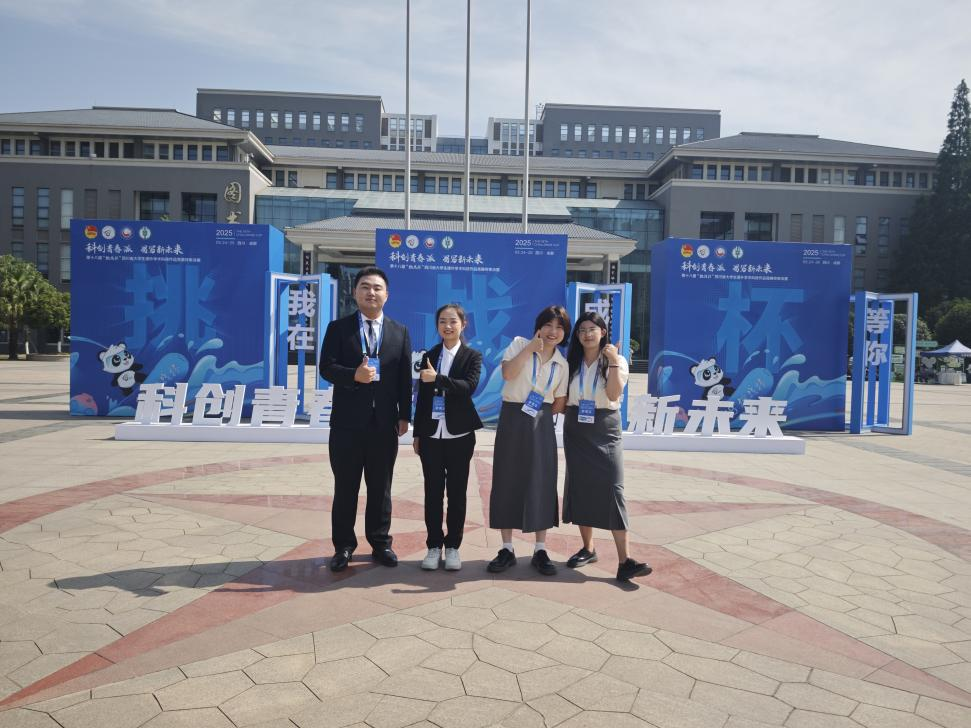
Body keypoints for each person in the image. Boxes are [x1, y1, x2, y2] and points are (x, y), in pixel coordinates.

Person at [319, 266, 412, 572]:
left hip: (384, 424)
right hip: (346, 425)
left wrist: (404, 415)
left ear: (387, 294)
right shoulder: (338, 328)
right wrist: (353, 376)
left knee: (380, 488)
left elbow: (404, 378)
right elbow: (326, 367)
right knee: (345, 488)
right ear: (355, 292)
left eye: (377, 288)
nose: (371, 292)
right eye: (365, 287)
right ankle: (343, 546)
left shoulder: (399, 331)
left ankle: (381, 543)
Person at [562, 312, 651, 582]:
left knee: (614, 488)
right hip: (576, 428)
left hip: (605, 428)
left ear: (603, 332)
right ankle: (588, 548)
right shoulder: (572, 362)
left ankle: (625, 560)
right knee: (580, 486)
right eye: (582, 330)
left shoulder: (616, 360)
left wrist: (612, 360)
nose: (587, 334)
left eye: (592, 329)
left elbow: (613, 394)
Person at [488, 305, 570, 576]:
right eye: (548, 325)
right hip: (512, 417)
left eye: (559, 327)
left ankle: (540, 549)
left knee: (541, 480)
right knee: (507, 478)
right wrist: (530, 349)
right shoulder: (519, 344)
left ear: (565, 333)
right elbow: (508, 374)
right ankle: (507, 548)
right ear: (538, 327)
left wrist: (539, 412)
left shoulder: (562, 364)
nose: (553, 331)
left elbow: (559, 402)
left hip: (541, 421)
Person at [413, 303, 483, 571]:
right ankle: (433, 546)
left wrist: (438, 379)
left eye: (453, 321)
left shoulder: (472, 356)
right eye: (442, 321)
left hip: (460, 435)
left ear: (463, 324)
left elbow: (468, 387)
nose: (447, 326)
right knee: (432, 492)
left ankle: (453, 546)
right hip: (431, 435)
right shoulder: (428, 355)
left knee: (456, 493)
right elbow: (422, 398)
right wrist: (418, 433)